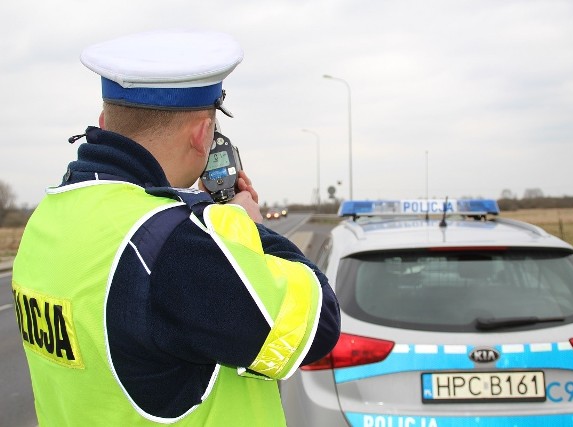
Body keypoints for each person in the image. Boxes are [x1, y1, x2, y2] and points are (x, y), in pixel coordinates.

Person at [12, 29, 340, 426]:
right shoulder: (170, 246)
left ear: (104, 121)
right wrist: (250, 228)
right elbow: (317, 327)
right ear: (204, 135)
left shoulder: (48, 217)